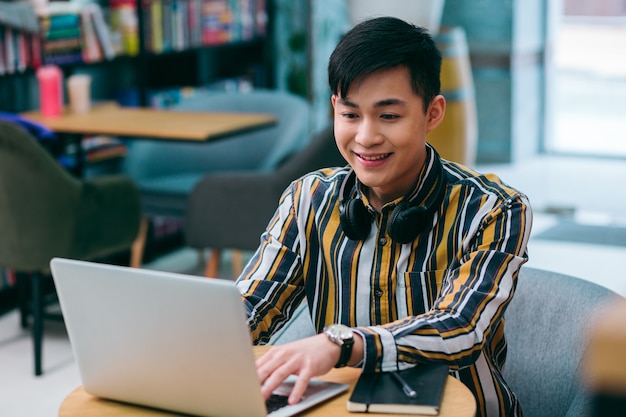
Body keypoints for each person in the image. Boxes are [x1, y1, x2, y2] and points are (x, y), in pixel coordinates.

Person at [236, 16, 532, 417]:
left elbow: (460, 327)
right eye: (351, 115)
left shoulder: (496, 209)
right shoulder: (307, 198)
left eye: (388, 116)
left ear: (432, 113)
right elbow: (251, 306)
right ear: (334, 111)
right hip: (342, 410)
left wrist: (341, 343)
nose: (366, 137)